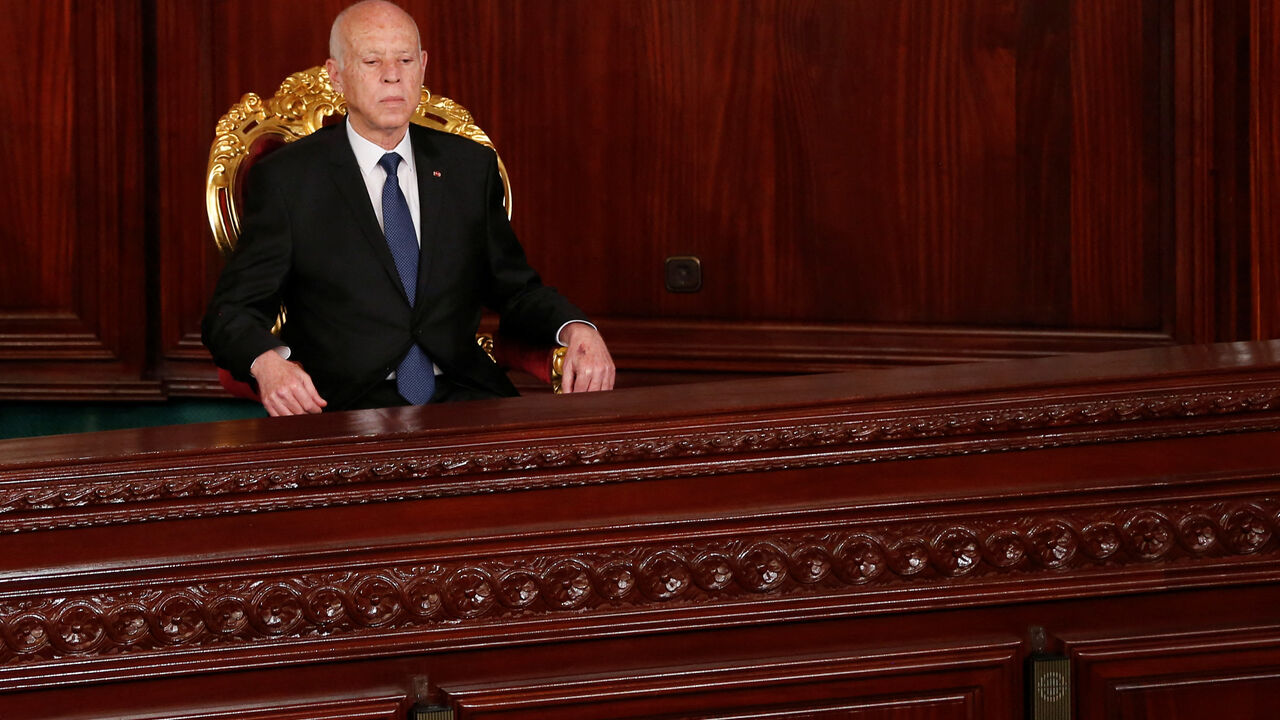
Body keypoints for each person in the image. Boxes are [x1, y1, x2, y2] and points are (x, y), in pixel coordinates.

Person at [202, 0, 615, 416]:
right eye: (372, 61)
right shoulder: (288, 179)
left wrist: (575, 328)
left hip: (463, 394)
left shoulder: (468, 167)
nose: (392, 75)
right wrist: (267, 362)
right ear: (336, 75)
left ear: (423, 66)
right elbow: (232, 312)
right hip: (345, 406)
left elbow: (517, 289)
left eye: (405, 59)